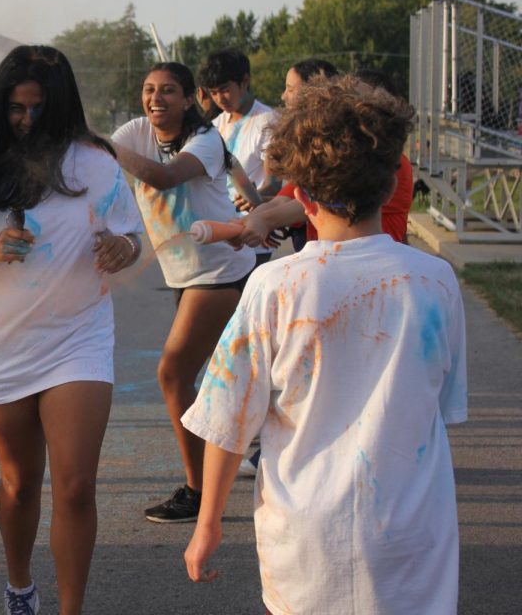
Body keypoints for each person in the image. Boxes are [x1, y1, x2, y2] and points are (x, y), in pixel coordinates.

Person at [182, 77, 466, 615]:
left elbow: (227, 417)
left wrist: (208, 522)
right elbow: (441, 404)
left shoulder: (275, 286)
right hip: (413, 540)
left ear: (302, 195)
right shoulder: (436, 281)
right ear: (389, 188)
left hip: (305, 542)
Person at [0, 45, 144, 615]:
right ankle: (20, 585)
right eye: (16, 108)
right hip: (0, 343)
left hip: (80, 337)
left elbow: (132, 237)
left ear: (61, 106)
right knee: (21, 484)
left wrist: (123, 248)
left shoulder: (97, 163)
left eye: (37, 108)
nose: (25, 120)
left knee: (74, 486)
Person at [109, 62, 256, 523]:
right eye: (149, 89)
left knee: (174, 375)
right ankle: (257, 449)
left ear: (189, 98)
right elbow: (102, 164)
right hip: (186, 276)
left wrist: (105, 148)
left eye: (168, 91)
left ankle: (197, 491)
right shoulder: (137, 131)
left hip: (218, 274)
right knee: (222, 379)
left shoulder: (205, 140)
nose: (156, 98)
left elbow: (165, 178)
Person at [235, 61, 413, 249]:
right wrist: (245, 222)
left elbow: (323, 200)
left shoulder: (387, 161)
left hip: (374, 264)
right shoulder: (332, 154)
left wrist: (265, 220)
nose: (284, 96)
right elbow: (286, 199)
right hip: (328, 260)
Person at [198, 49, 280, 266]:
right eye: (213, 93)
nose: (219, 99)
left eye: (224, 90)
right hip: (219, 233)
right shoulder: (214, 125)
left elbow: (273, 183)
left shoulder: (269, 121)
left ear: (245, 81)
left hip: (252, 236)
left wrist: (255, 197)